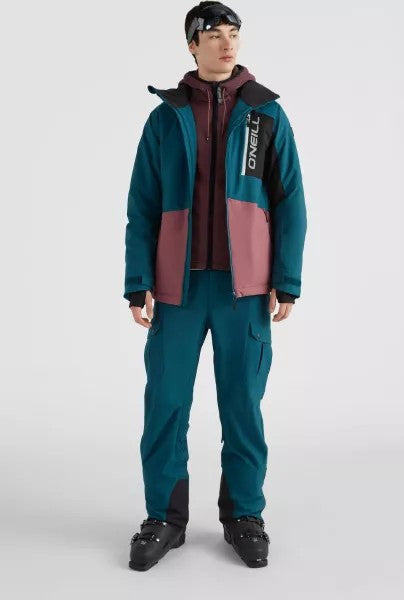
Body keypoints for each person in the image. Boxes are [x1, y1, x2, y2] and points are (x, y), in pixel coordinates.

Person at [124, 1, 307, 571]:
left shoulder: (265, 114)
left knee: (243, 407)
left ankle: (244, 515)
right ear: (192, 46)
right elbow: (142, 205)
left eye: (234, 34)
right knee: (166, 405)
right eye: (215, 36)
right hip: (177, 291)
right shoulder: (166, 117)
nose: (228, 44)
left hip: (243, 292)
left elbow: (290, 203)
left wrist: (286, 280)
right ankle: (164, 518)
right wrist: (138, 281)